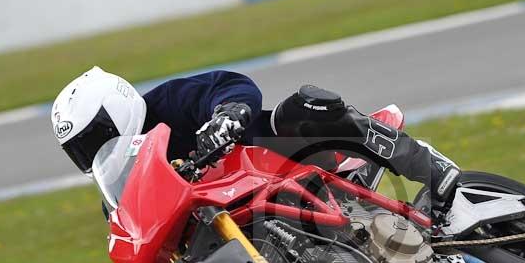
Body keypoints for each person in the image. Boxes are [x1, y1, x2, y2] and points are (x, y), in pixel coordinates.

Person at [51, 66, 461, 220]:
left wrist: (227, 115)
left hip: (279, 161)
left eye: (97, 137)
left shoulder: (167, 102)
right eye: (82, 150)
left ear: (115, 110)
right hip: (238, 214)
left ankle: (425, 163)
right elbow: (131, 228)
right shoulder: (120, 187)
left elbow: (231, 85)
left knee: (303, 107)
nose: (94, 153)